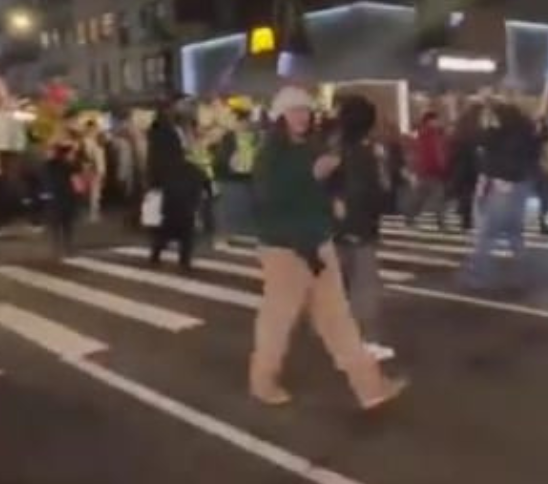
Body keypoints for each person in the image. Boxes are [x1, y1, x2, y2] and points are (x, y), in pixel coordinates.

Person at [249, 86, 404, 410]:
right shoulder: (270, 153)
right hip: (285, 249)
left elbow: (318, 189)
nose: (301, 117)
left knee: (338, 321)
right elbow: (270, 198)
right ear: (280, 116)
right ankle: (263, 380)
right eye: (293, 111)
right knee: (279, 320)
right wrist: (312, 177)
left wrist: (331, 200)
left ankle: (370, 387)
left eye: (305, 110)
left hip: (319, 243)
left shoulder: (313, 147)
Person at [330, 95, 395, 362]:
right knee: (364, 286)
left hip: (335, 227)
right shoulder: (365, 152)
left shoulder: (334, 146)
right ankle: (363, 342)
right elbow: (376, 192)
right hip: (358, 226)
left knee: (340, 284)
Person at [460, 98, 541, 289]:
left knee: (487, 235)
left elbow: (473, 137)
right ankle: (523, 276)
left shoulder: (499, 134)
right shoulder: (528, 133)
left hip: (501, 185)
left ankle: (478, 276)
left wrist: (478, 114)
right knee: (514, 234)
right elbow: (535, 153)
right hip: (520, 187)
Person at [146, 99, 203, 271]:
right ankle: (171, 255)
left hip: (179, 178)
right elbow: (158, 158)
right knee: (176, 220)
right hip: (172, 179)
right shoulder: (162, 130)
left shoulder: (179, 129)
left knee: (178, 220)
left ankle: (178, 257)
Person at [213, 110, 259, 245]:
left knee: (239, 209)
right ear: (237, 122)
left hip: (244, 179)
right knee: (225, 210)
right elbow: (221, 158)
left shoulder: (251, 137)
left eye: (247, 122)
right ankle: (221, 237)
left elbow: (252, 159)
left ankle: (230, 233)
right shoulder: (228, 137)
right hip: (228, 179)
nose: (246, 125)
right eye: (243, 122)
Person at [402, 110, 449, 231]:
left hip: (430, 172)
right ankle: (412, 218)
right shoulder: (428, 135)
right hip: (428, 171)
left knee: (434, 197)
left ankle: (440, 221)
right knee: (424, 198)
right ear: (430, 121)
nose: (438, 122)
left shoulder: (432, 135)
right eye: (435, 120)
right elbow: (429, 154)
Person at [446, 102, 484, 231]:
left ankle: (465, 218)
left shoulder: (461, 125)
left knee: (465, 192)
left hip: (461, 165)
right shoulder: (479, 127)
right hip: (475, 164)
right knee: (474, 192)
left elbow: (452, 144)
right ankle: (471, 217)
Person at [44, 140, 81, 252]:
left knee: (59, 223)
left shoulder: (52, 165)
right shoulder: (68, 166)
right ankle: (65, 245)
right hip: (63, 197)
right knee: (64, 223)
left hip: (57, 197)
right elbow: (77, 181)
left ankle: (59, 245)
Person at [79, 121, 107, 223]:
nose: (94, 130)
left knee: (94, 193)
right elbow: (86, 157)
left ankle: (93, 213)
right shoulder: (86, 141)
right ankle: (93, 214)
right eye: (93, 129)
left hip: (93, 169)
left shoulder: (97, 140)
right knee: (93, 193)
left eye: (95, 129)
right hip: (91, 169)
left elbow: (101, 158)